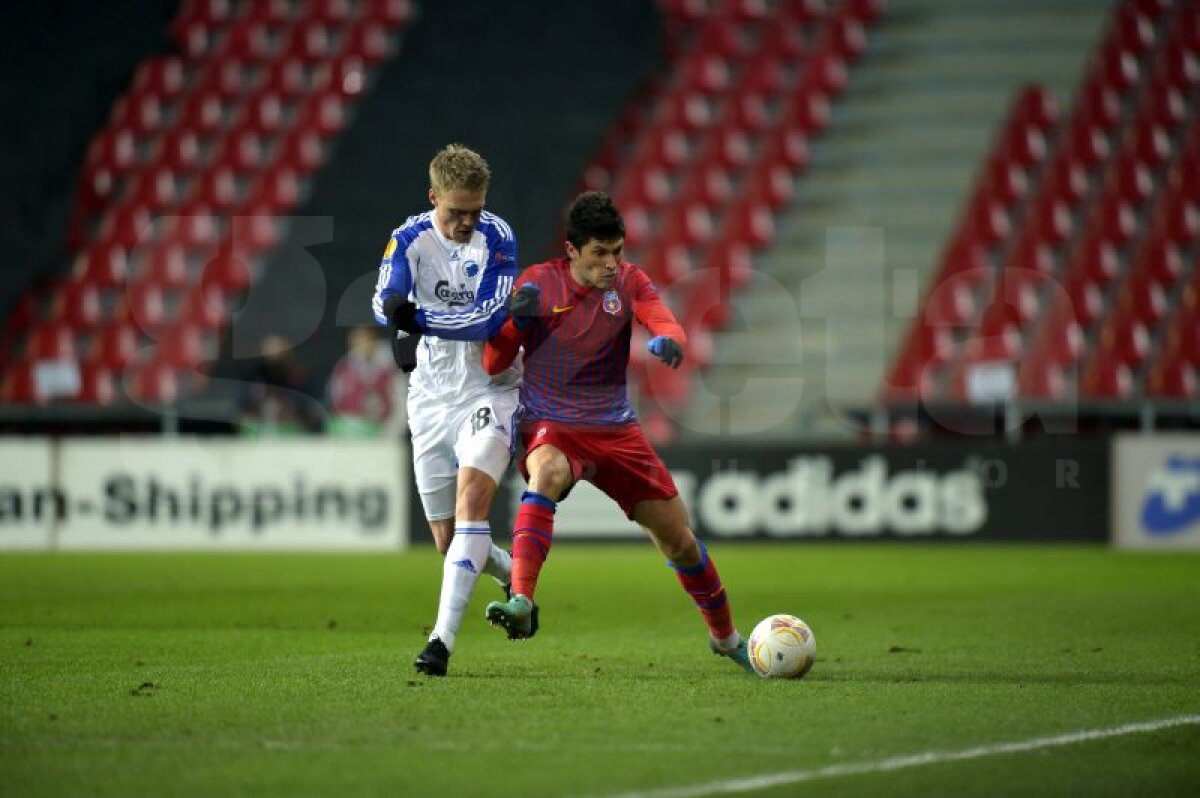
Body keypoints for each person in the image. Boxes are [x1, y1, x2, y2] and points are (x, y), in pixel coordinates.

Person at [480, 191, 753, 673]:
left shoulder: (629, 282)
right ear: (572, 251)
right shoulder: (538, 286)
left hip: (617, 431)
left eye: (617, 252)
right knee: (544, 471)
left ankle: (725, 636)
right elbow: (493, 362)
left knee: (679, 540)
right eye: (599, 253)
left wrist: (669, 338)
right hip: (554, 424)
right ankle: (521, 599)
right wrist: (510, 324)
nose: (611, 263)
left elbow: (660, 317)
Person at [371, 143, 535, 677]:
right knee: (448, 541)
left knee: (473, 504)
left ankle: (440, 642)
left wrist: (417, 323)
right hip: (430, 398)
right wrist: (397, 317)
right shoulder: (410, 238)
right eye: (455, 211)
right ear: (433, 197)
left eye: (475, 209)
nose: (467, 221)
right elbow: (385, 298)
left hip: (490, 388)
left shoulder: (499, 235)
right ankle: (513, 574)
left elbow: (489, 318)